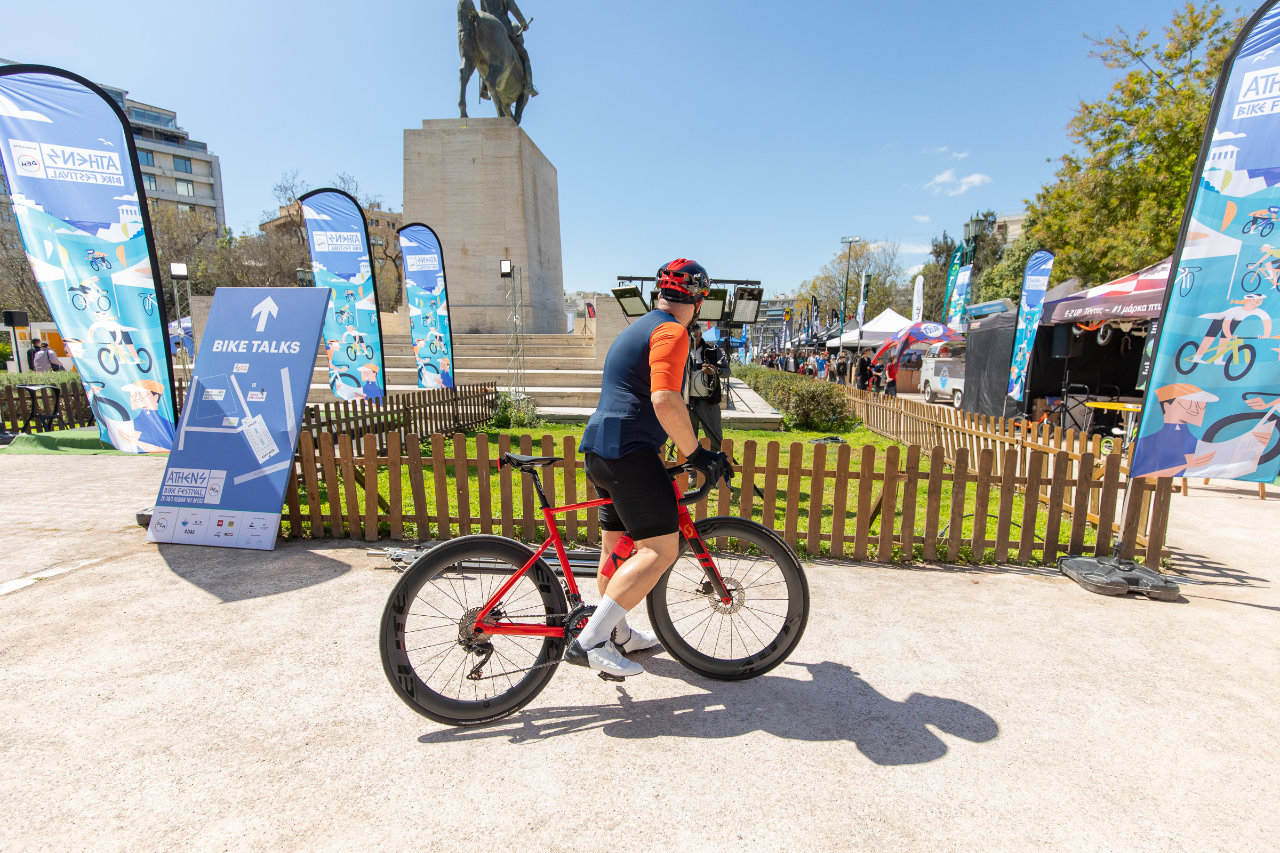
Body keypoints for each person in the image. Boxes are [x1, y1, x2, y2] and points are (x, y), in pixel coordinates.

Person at [570, 258, 733, 679]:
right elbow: (664, 399)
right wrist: (697, 454)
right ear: (698, 300)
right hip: (629, 452)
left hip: (601, 450)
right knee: (659, 549)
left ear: (659, 294)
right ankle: (590, 640)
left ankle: (618, 633)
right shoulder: (672, 331)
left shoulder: (639, 327)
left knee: (615, 550)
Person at [688, 324, 727, 452]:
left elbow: (727, 371)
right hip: (687, 402)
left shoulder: (712, 350)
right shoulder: (681, 350)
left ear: (700, 335)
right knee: (688, 441)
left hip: (709, 402)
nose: (693, 339)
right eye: (690, 336)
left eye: (695, 335)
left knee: (715, 439)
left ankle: (717, 468)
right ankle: (690, 471)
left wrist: (716, 370)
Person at [123, 379, 174, 452]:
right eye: (132, 394)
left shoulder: (165, 423)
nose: (135, 398)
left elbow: (167, 447)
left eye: (141, 394)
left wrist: (136, 442)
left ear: (156, 397)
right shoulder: (134, 421)